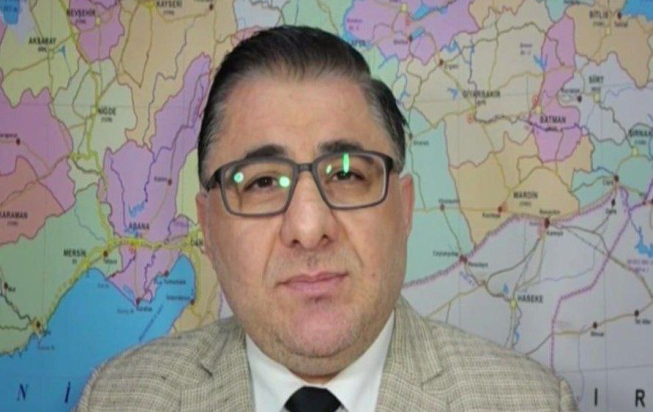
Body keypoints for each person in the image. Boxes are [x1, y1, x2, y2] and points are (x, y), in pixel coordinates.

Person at [77, 25, 577, 411]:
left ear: (404, 208)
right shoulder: (117, 399)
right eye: (261, 182)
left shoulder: (532, 403)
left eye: (347, 174)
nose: (309, 227)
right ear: (207, 227)